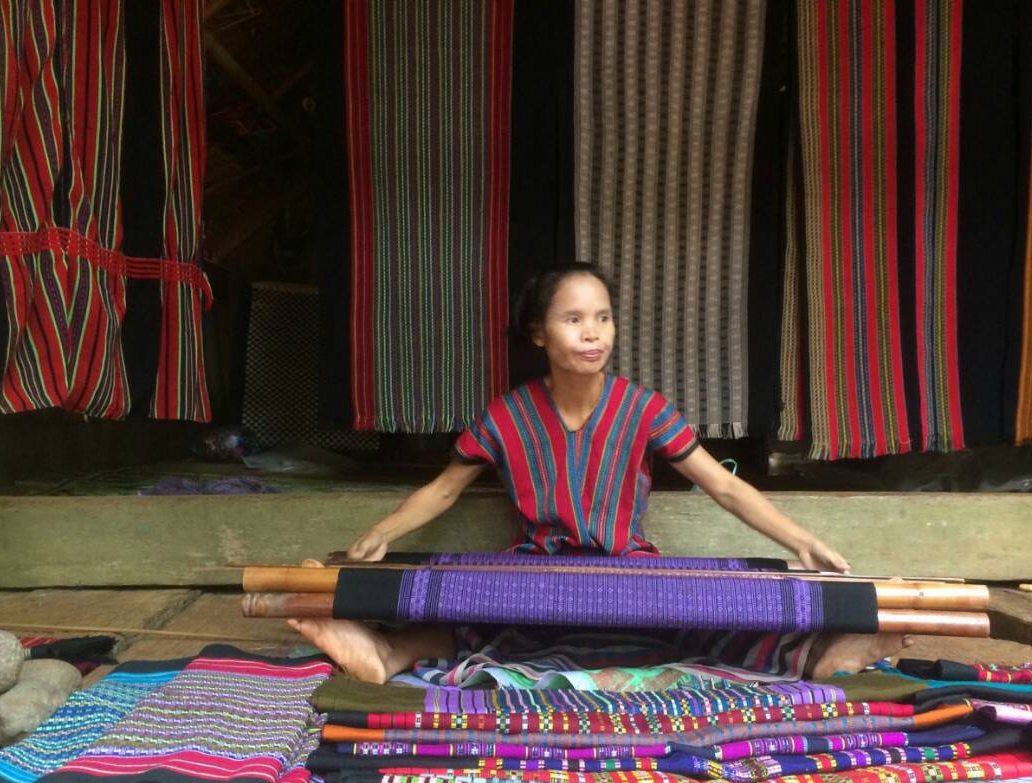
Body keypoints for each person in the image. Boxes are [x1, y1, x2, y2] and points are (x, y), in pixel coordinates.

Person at [288, 263, 913, 681]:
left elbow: (722, 484)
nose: (593, 334)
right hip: (537, 576)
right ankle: (383, 652)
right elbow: (444, 489)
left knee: (711, 614)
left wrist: (802, 542)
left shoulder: (644, 410)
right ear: (539, 334)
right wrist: (384, 532)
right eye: (574, 319)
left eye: (603, 318)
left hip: (628, 573)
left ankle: (823, 655)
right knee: (468, 616)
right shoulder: (507, 416)